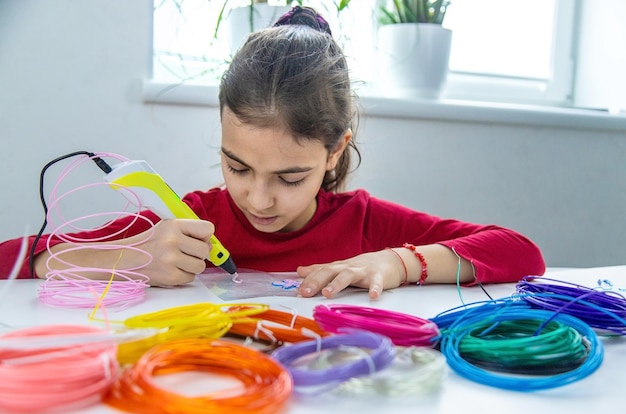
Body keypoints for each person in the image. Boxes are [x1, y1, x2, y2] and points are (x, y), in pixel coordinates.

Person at [0, 6, 545, 299]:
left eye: (289, 176)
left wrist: (397, 263)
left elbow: (521, 252)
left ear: (336, 153)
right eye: (237, 166)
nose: (258, 198)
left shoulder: (364, 224)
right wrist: (129, 258)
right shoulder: (190, 220)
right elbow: (9, 259)